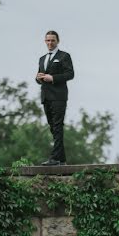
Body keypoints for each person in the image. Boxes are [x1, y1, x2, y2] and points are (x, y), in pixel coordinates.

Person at [35, 31, 75, 166]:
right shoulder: (42, 59)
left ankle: (55, 158)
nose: (50, 43)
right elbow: (40, 78)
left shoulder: (64, 56)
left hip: (59, 96)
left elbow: (70, 74)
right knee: (53, 127)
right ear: (45, 41)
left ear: (58, 41)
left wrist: (53, 78)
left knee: (57, 126)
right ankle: (62, 158)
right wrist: (38, 78)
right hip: (46, 97)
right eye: (48, 41)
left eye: (52, 40)